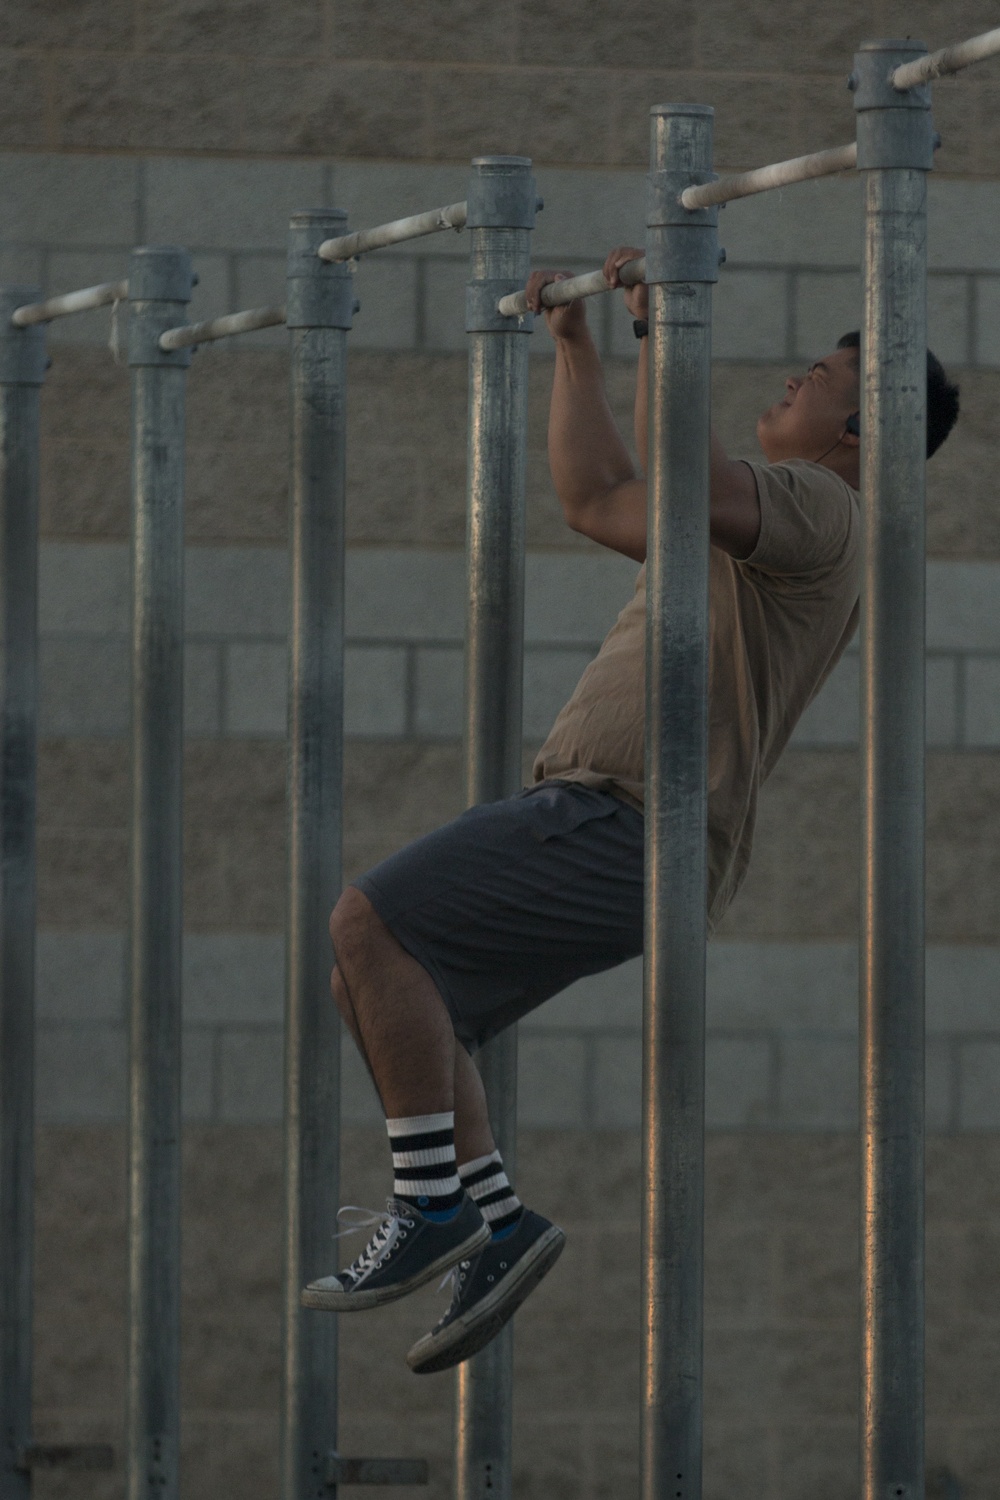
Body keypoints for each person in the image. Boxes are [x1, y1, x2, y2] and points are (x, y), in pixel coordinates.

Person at [300, 247, 960, 1376]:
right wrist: (577, 350)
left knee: (369, 925)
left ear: (858, 435)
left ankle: (437, 1207)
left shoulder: (820, 510)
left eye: (816, 377)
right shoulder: (747, 531)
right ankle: (494, 1218)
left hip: (631, 824)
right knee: (382, 986)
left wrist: (667, 328)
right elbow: (597, 496)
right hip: (600, 818)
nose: (791, 382)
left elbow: (685, 476)